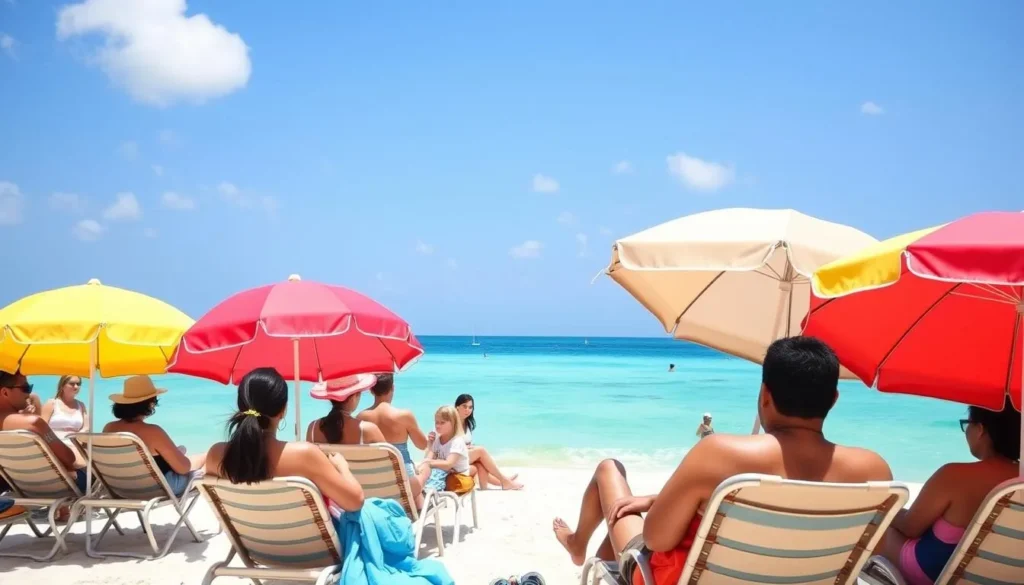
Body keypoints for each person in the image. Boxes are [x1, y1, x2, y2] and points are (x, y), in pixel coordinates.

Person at [552, 336, 894, 585]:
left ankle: (577, 543)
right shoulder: (872, 470)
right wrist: (659, 497)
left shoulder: (720, 454)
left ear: (765, 396)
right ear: (833, 400)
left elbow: (656, 540)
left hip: (680, 578)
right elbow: (795, 500)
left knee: (609, 470)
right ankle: (582, 544)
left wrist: (659, 505)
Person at [878, 398, 1020, 585]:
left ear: (981, 430)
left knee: (877, 530)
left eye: (967, 424)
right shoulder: (1019, 482)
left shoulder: (955, 475)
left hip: (936, 572)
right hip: (1003, 574)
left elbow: (910, 527)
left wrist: (884, 510)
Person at [205, 367, 364, 514]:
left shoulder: (215, 455)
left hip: (250, 543)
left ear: (242, 407)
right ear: (283, 411)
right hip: (310, 543)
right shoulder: (304, 455)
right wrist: (342, 467)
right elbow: (355, 502)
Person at [103, 375, 207, 496]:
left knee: (181, 454)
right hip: (157, 489)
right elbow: (183, 468)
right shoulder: (153, 431)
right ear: (150, 404)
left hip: (120, 489)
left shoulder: (109, 428)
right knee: (207, 457)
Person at [0, 370, 86, 492]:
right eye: (25, 388)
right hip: (54, 486)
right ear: (5, 392)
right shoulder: (33, 423)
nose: (29, 394)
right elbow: (69, 458)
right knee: (92, 473)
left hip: (16, 485)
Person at [357, 374, 430, 504]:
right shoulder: (404, 415)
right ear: (393, 388)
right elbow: (422, 445)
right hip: (403, 481)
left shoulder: (361, 417)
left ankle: (418, 505)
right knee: (426, 468)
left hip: (375, 479)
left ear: (371, 390)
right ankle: (419, 507)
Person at [455, 394, 523, 490]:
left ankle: (489, 486)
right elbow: (447, 443)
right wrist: (464, 447)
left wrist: (469, 446)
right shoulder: (452, 422)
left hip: (463, 456)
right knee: (481, 451)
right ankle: (504, 480)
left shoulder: (467, 423)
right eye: (464, 406)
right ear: (457, 407)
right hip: (454, 456)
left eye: (470, 407)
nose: (467, 410)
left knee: (480, 463)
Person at [306, 374, 385, 445]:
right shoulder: (368, 430)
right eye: (359, 393)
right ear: (353, 397)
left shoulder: (313, 428)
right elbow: (391, 458)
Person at [415, 406, 475, 496]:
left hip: (458, 477)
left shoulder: (457, 441)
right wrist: (430, 444)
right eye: (436, 422)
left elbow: (448, 464)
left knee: (435, 472)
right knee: (425, 471)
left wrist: (429, 463)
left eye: (442, 423)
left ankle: (428, 490)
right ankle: (422, 489)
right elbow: (428, 459)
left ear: (453, 423)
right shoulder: (437, 439)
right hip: (445, 474)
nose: (438, 426)